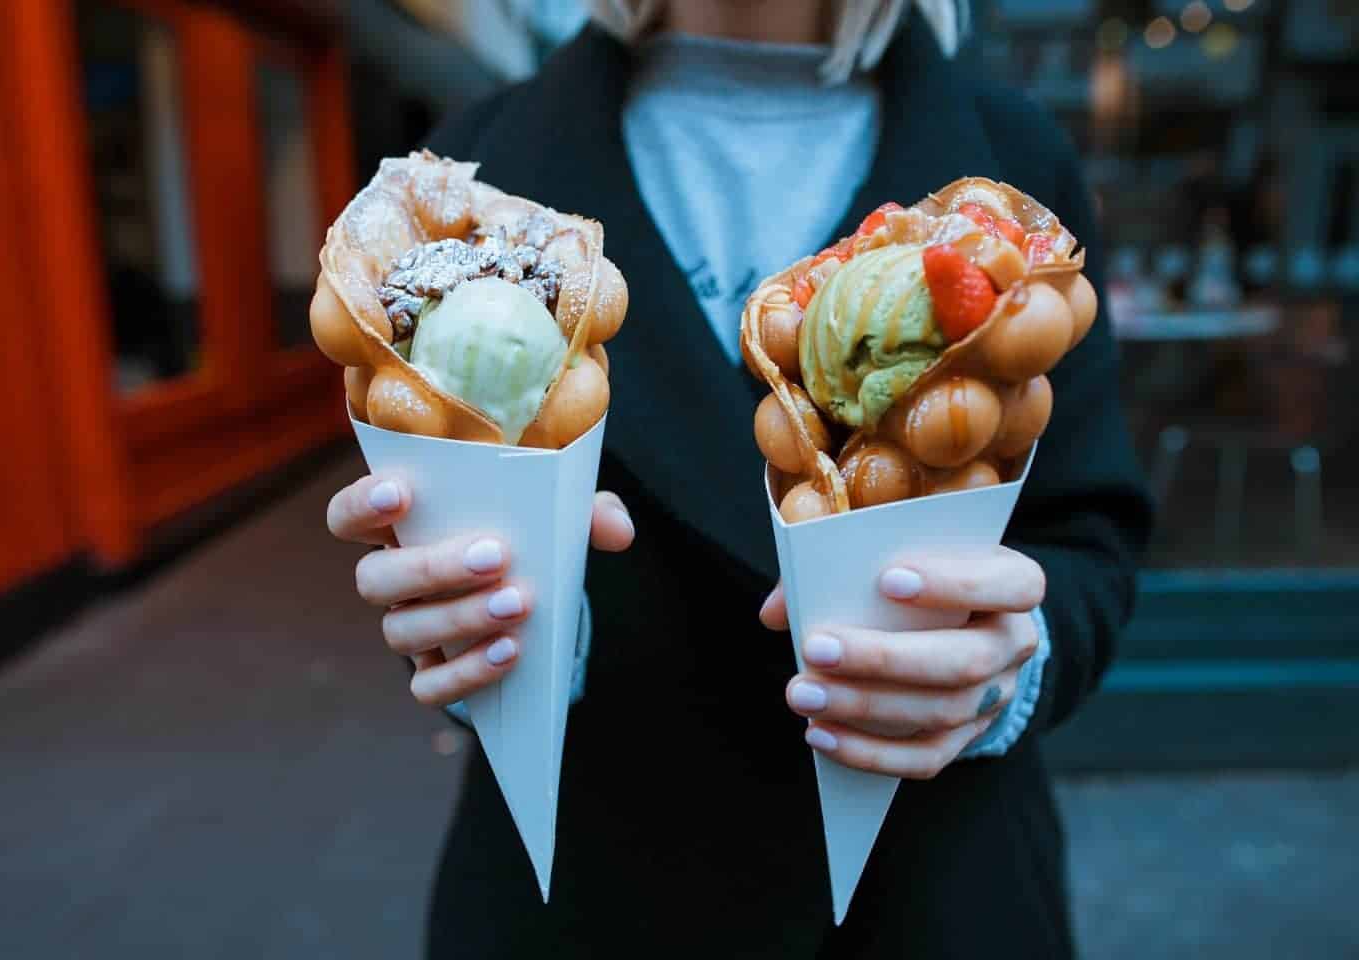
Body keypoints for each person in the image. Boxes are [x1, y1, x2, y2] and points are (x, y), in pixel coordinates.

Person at [322, 1, 1153, 955]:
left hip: (929, 888)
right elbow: (442, 533)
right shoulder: (467, 170)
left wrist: (1012, 660)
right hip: (595, 890)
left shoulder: (1013, 165)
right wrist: (487, 640)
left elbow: (1089, 531)